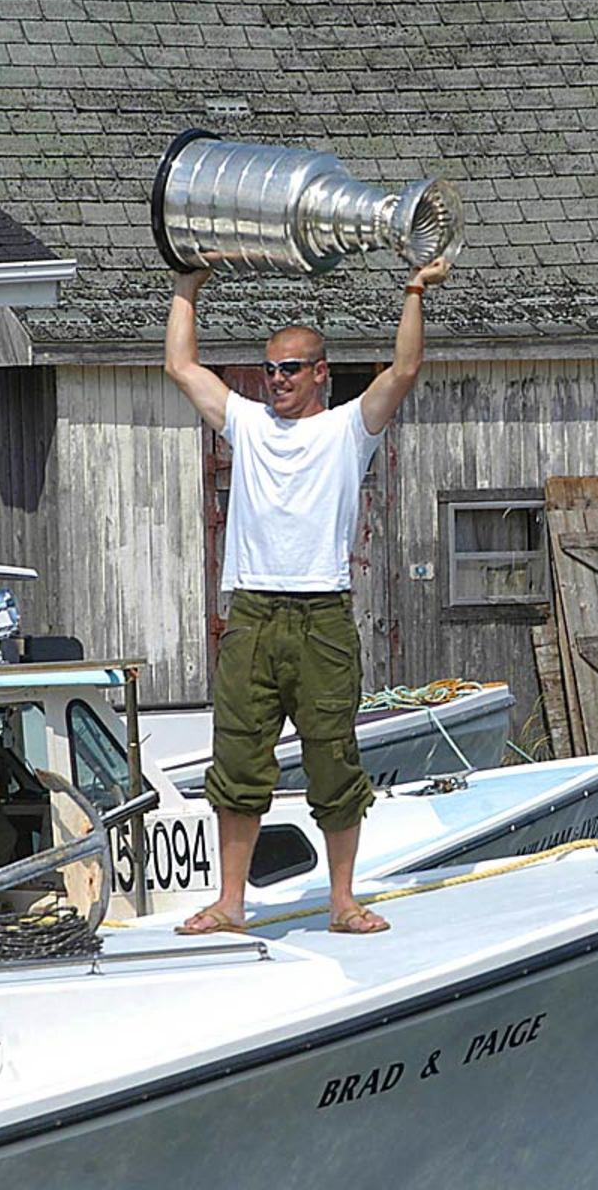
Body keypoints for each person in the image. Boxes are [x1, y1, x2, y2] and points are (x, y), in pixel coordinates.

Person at [164, 255, 451, 935]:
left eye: (289, 369)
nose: (275, 381)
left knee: (333, 757)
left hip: (322, 612)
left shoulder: (347, 430)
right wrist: (184, 291)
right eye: (268, 369)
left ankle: (342, 901)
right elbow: (182, 367)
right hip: (253, 612)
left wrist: (413, 292)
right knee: (237, 758)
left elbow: (403, 371)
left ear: (319, 372)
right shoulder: (247, 424)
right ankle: (231, 904)